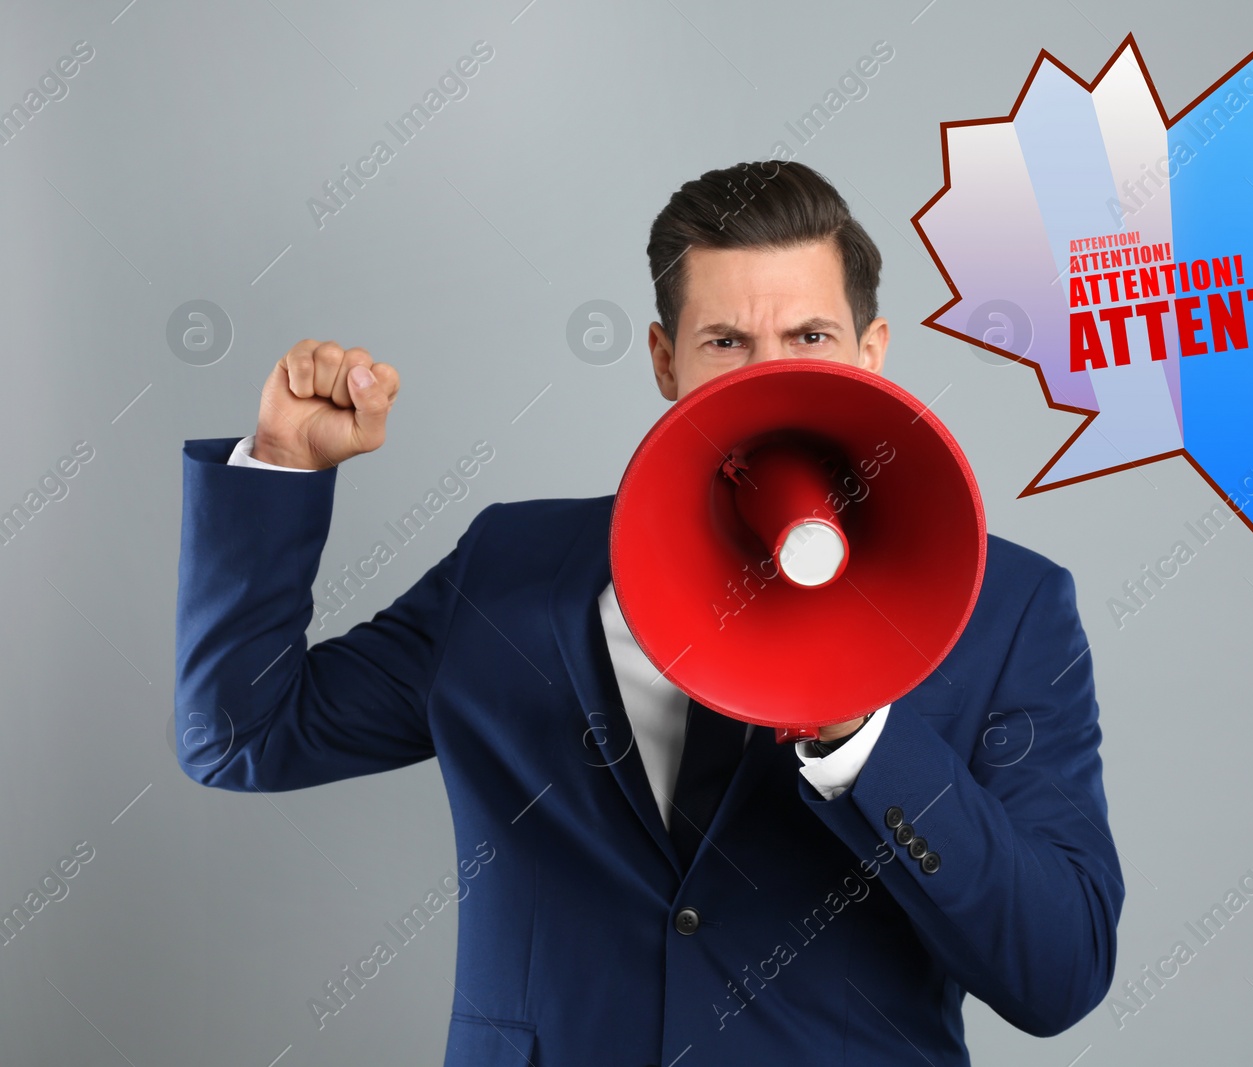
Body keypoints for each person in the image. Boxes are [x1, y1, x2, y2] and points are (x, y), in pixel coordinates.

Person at [174, 160, 1123, 1066]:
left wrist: (863, 737)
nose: (768, 374)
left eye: (810, 338)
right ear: (666, 360)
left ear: (873, 355)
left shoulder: (1006, 609)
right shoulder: (508, 568)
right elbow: (241, 734)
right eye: (726, 343)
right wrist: (280, 468)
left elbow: (1059, 973)